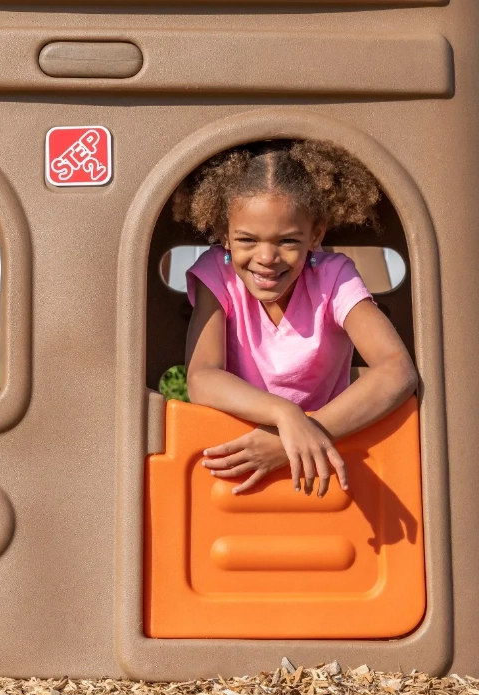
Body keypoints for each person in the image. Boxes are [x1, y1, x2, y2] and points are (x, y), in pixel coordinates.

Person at [178, 139, 417, 498]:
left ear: (315, 235)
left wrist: (304, 432)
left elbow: (397, 370)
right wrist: (285, 415)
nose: (266, 257)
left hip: (324, 467)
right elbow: (202, 379)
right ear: (223, 234)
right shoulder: (218, 274)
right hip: (239, 463)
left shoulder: (334, 277)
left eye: (287, 241)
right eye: (247, 239)